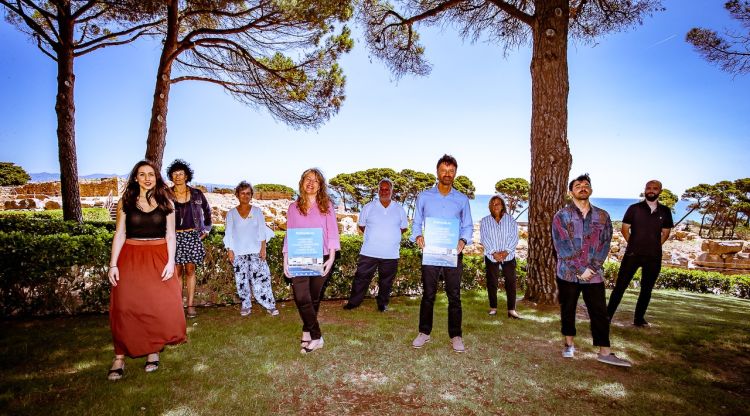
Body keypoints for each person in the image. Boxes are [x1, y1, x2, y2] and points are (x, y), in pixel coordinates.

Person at [107, 160, 186, 380]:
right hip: (131, 256)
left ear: (157, 177)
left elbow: (171, 234)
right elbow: (120, 234)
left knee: (155, 306)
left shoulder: (166, 201)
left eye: (151, 174)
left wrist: (171, 261)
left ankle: (153, 351)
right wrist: (113, 264)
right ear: (135, 178)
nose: (147, 178)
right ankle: (119, 356)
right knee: (124, 306)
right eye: (142, 175)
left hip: (159, 255)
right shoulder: (126, 201)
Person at [551, 173, 631, 367]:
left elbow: (605, 243)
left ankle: (605, 351)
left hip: (594, 275)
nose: (583, 187)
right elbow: (561, 245)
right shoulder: (561, 216)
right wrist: (579, 269)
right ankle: (569, 344)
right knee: (568, 309)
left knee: (599, 312)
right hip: (568, 274)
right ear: (571, 192)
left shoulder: (603, 216)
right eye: (578, 185)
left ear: (591, 190)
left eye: (586, 185)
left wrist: (592, 268)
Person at [411, 154, 473, 353]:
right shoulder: (424, 196)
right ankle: (424, 332)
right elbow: (416, 222)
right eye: (444, 170)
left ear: (455, 173)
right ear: (437, 172)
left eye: (451, 171)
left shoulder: (462, 199)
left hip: (453, 253)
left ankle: (456, 336)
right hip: (430, 253)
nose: (447, 174)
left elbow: (468, 226)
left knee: (454, 295)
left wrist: (463, 240)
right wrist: (418, 236)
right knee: (428, 294)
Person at [283, 168, 340, 354]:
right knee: (301, 297)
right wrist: (286, 259)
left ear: (320, 185)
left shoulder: (327, 206)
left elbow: (333, 232)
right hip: (298, 257)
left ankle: (307, 331)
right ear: (302, 183)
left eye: (315, 180)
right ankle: (317, 336)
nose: (311, 183)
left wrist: (331, 258)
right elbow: (289, 234)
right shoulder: (293, 207)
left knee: (314, 298)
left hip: (322, 256)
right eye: (308, 179)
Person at [607, 180, 674, 327]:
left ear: (660, 191)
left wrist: (654, 246)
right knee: (620, 286)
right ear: (645, 190)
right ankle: (607, 316)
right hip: (633, 254)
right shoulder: (634, 208)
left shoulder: (665, 211)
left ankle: (638, 319)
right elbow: (625, 229)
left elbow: (665, 234)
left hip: (654, 256)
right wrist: (634, 244)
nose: (651, 190)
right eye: (648, 188)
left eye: (655, 188)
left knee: (646, 289)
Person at [343, 178, 408, 312]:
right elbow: (362, 226)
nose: (384, 191)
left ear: (391, 191)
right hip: (369, 252)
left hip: (391, 253)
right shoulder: (368, 207)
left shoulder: (399, 209)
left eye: (387, 189)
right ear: (378, 191)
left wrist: (389, 236)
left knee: (386, 282)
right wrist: (375, 236)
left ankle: (382, 305)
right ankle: (353, 303)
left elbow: (403, 228)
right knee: (361, 279)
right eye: (381, 189)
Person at [224, 181, 279, 317]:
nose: (245, 196)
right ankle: (246, 305)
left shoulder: (257, 211)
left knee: (262, 279)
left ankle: (269, 305)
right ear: (237, 195)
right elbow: (229, 233)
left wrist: (263, 248)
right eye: (242, 193)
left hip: (256, 251)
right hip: (238, 252)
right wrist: (230, 250)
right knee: (241, 280)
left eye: (248, 193)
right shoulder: (231, 213)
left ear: (251, 195)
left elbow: (262, 231)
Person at [166, 159, 212, 319]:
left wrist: (206, 229)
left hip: (192, 235)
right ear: (171, 176)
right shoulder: (166, 194)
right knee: (177, 272)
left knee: (190, 270)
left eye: (181, 174)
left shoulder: (197, 193)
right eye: (175, 174)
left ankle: (191, 305)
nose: (178, 176)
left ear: (186, 176)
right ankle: (178, 306)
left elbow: (207, 211)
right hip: (174, 237)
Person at [479, 195, 522, 319]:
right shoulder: (485, 221)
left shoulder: (510, 220)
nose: (495, 206)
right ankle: (493, 308)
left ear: (502, 205)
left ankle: (512, 310)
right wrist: (494, 253)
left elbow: (514, 237)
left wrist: (506, 252)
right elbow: (484, 238)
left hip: (508, 257)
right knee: (492, 282)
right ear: (490, 207)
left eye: (498, 203)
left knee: (511, 282)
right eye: (493, 204)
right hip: (491, 257)